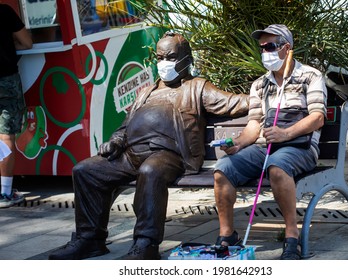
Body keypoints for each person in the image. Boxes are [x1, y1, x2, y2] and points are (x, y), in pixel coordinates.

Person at [48, 31, 249, 260]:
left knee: (150, 170)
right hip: (131, 153)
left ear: (186, 59)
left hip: (170, 154)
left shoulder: (197, 87)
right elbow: (125, 126)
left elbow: (235, 103)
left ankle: (146, 244)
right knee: (86, 170)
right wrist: (115, 142)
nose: (164, 63)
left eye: (170, 57)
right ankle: (89, 239)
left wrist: (266, 97)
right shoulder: (146, 92)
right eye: (160, 57)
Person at [213, 24, 327, 260]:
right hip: (265, 147)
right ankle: (227, 235)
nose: (265, 51)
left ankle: (291, 235)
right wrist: (239, 143)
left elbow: (318, 118)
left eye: (270, 46)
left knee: (277, 166)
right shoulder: (259, 84)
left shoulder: (310, 76)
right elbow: (255, 123)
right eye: (262, 47)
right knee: (223, 169)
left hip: (300, 147)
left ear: (286, 48)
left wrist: (286, 134)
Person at [0, 3, 33, 208]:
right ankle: (4, 192)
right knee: (6, 135)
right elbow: (27, 43)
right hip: (5, 81)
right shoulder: (4, 12)